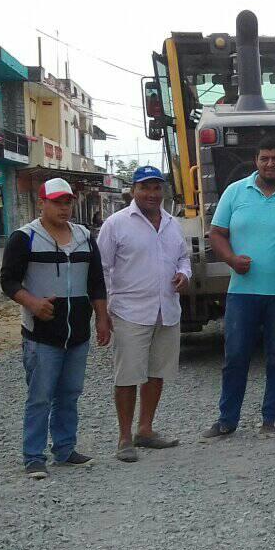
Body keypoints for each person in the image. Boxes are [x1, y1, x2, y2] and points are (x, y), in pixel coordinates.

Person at [0, 177, 111, 479]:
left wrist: (102, 318)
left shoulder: (84, 237)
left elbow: (96, 282)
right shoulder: (25, 238)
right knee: (40, 396)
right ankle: (33, 456)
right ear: (42, 203)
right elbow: (8, 281)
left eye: (67, 202)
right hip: (41, 335)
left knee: (70, 393)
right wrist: (33, 303)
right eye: (57, 202)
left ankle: (64, 448)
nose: (64, 208)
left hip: (77, 333)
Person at [205, 136, 275, 439]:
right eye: (264, 158)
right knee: (235, 357)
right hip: (242, 293)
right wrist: (230, 259)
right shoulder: (235, 192)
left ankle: (273, 417)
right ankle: (227, 420)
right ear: (256, 161)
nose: (270, 164)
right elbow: (216, 233)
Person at [96, 165, 191, 463]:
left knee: (156, 372)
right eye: (144, 187)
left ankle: (145, 429)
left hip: (167, 311)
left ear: (163, 190)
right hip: (130, 312)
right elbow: (101, 269)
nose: (151, 193)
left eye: (156, 187)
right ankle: (125, 438)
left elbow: (183, 258)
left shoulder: (173, 224)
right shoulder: (116, 224)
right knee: (127, 376)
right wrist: (103, 312)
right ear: (133, 191)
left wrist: (184, 274)